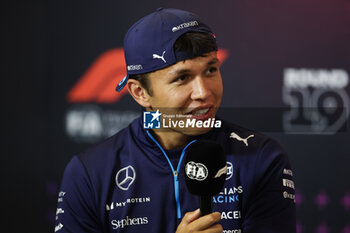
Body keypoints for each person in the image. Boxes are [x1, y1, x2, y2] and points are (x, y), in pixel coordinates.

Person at [55, 8, 296, 233]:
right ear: (140, 93)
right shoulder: (90, 173)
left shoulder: (262, 158)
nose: (203, 92)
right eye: (182, 78)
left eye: (211, 70)